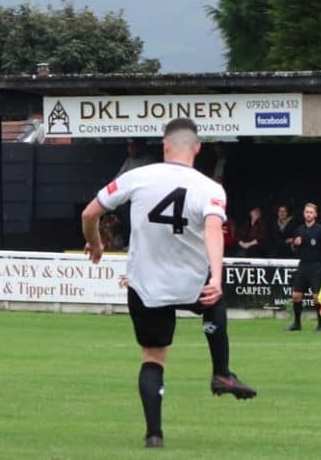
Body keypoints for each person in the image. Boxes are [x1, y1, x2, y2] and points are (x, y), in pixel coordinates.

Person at [81, 118, 256, 449]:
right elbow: (214, 230)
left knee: (153, 358)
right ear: (198, 148)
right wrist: (217, 277)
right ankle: (221, 371)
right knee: (213, 300)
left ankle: (154, 435)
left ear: (164, 145)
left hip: (147, 286)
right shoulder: (210, 187)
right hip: (191, 281)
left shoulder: (137, 176)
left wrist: (97, 242)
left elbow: (89, 214)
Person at [288, 203, 321, 332]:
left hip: (316, 266)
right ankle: (297, 323)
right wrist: (295, 243)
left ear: (315, 214)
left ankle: (320, 325)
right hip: (303, 265)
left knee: (316, 297)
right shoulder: (299, 229)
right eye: (306, 212)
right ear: (303, 213)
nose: (308, 214)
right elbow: (294, 248)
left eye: (311, 212)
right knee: (296, 295)